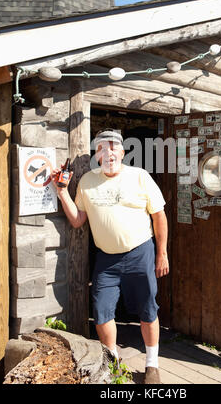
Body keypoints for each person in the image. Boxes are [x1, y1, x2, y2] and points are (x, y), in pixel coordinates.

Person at [52, 128, 169, 384]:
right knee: (102, 310)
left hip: (140, 252)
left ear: (122, 152)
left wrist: (162, 253)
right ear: (97, 154)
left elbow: (159, 215)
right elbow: (77, 220)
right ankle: (112, 361)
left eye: (113, 147)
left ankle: (152, 365)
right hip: (107, 259)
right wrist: (61, 191)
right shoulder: (87, 181)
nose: (108, 152)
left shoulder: (140, 176)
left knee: (148, 307)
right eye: (102, 148)